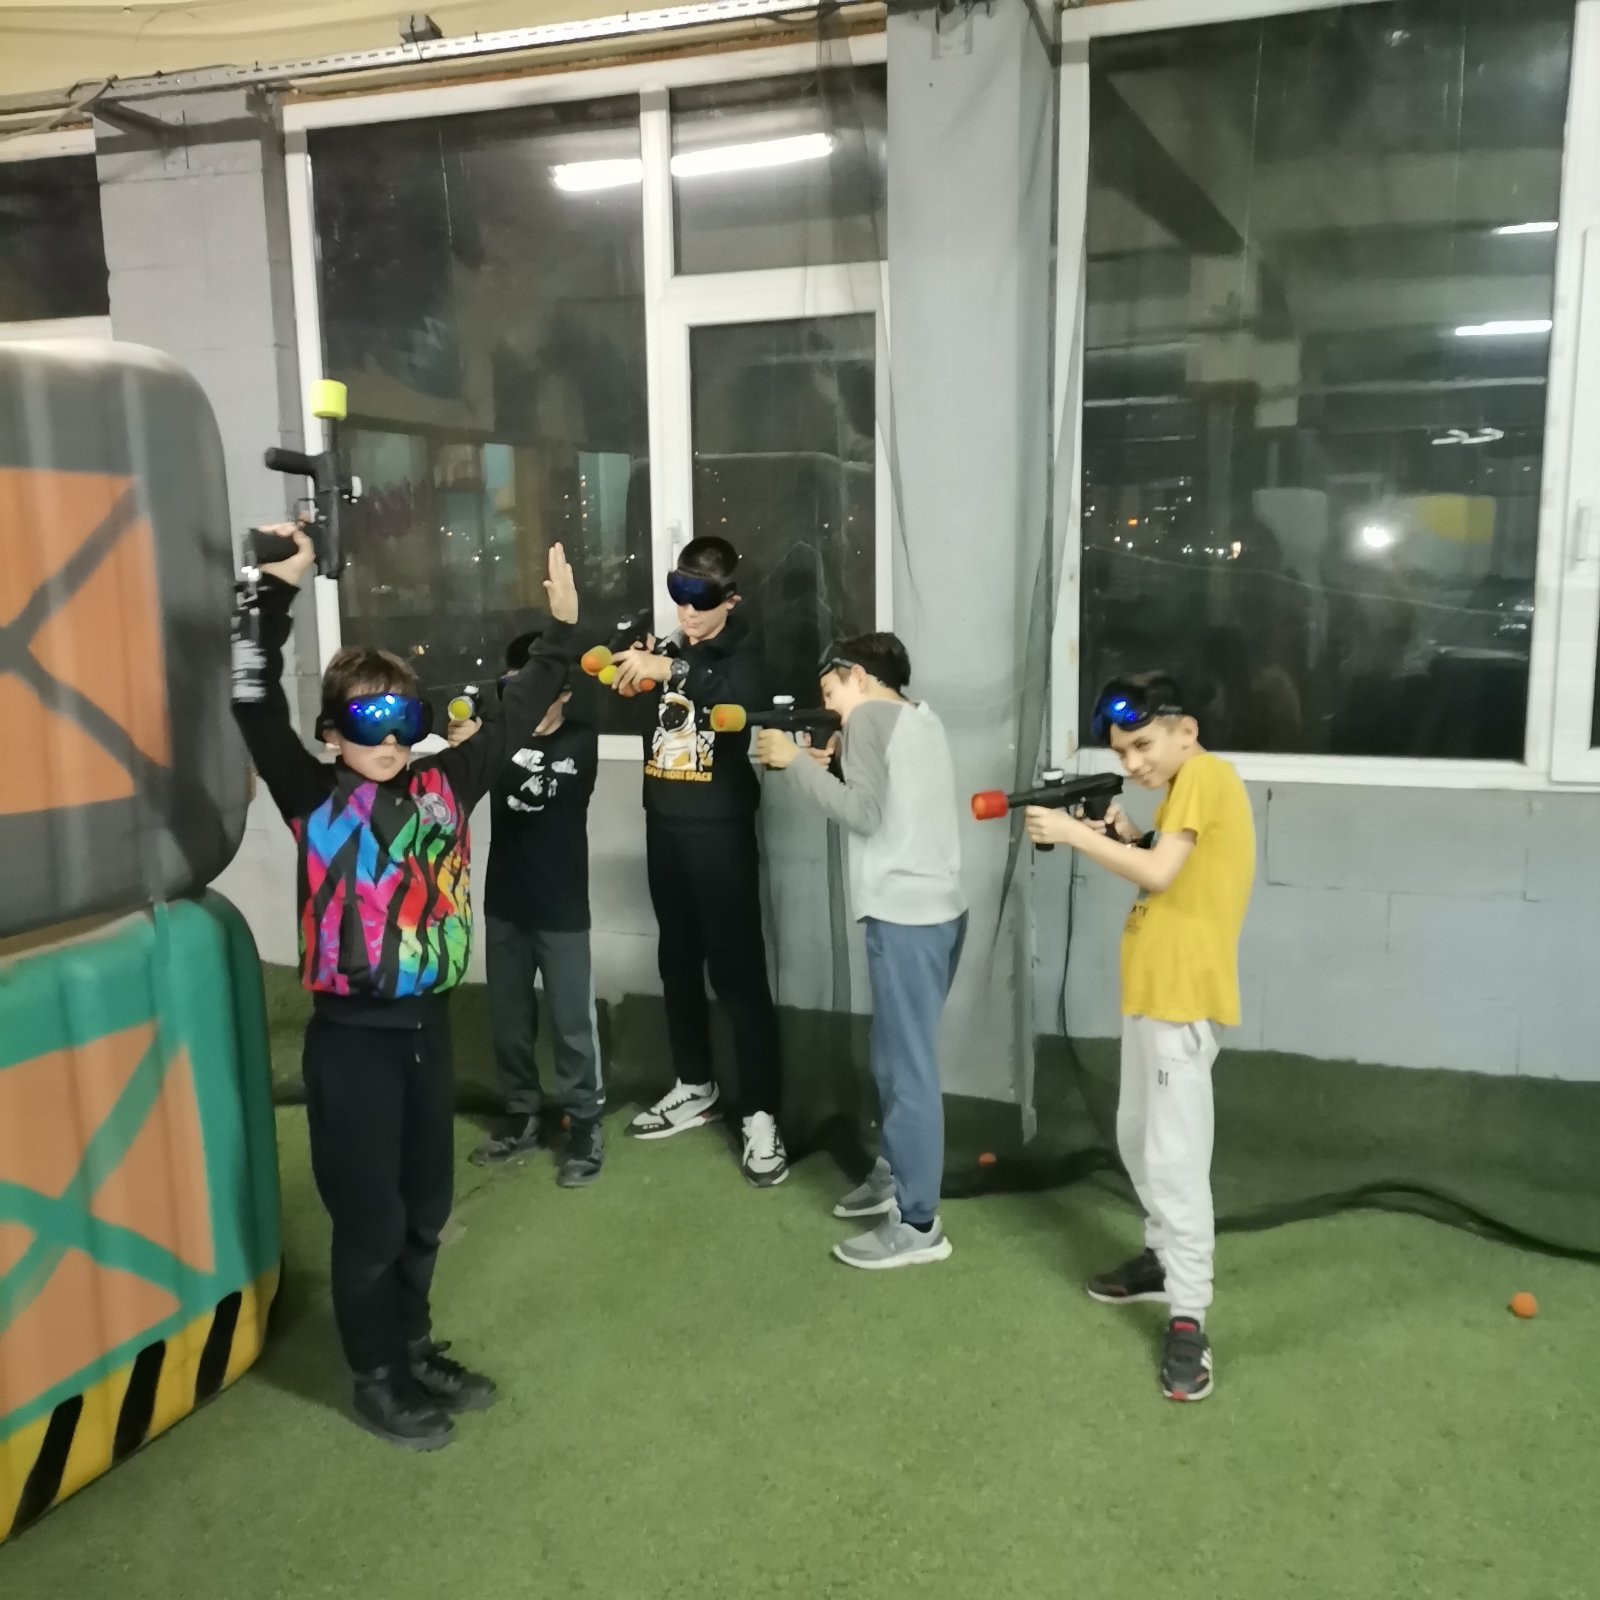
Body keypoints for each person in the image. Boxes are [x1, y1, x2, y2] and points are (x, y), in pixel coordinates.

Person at [232, 525, 580, 1450]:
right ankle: (376, 1377)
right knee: (372, 1221)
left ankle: (413, 1346)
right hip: (352, 1043)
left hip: (427, 1033)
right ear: (332, 734)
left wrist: (560, 633)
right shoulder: (312, 796)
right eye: (364, 723)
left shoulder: (446, 783)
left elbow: (521, 708)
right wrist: (272, 593)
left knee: (426, 1209)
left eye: (401, 718)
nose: (386, 741)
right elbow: (251, 697)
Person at [1024, 671, 1255, 1403]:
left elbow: (1159, 872)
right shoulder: (1186, 790)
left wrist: (1072, 834)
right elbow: (1176, 870)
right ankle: (1160, 1260)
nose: (1133, 763)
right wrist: (1130, 834)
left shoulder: (1205, 776)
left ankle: (1189, 1316)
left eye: (1144, 745)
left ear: (1187, 732)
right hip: (1152, 995)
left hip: (1180, 1001)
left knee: (1174, 1160)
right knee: (1136, 1136)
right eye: (1122, 752)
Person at [754, 634, 966, 1269]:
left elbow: (867, 816)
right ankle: (895, 1176)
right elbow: (894, 803)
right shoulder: (919, 718)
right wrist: (829, 764)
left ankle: (919, 1223)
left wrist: (795, 765)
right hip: (938, 911)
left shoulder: (869, 716)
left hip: (906, 917)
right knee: (892, 1058)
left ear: (858, 676)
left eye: (830, 692)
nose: (830, 708)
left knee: (908, 1069)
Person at [606, 536, 786, 1186]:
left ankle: (761, 1112)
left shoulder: (746, 656)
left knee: (737, 973)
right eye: (677, 596)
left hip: (720, 833)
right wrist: (635, 672)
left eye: (699, 600)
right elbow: (645, 705)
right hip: (665, 825)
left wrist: (671, 672)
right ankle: (694, 1084)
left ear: (730, 600)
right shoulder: (669, 648)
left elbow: (736, 701)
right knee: (677, 962)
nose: (685, 611)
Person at [450, 633, 604, 1186]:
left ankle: (584, 1123)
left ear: (563, 693)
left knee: (572, 1025)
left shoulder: (581, 740)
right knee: (509, 1024)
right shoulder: (496, 736)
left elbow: (542, 788)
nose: (527, 701)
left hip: (561, 908)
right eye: (516, 689)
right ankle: (521, 1117)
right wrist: (467, 748)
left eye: (538, 690)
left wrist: (483, 749)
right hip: (505, 904)